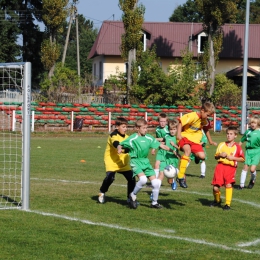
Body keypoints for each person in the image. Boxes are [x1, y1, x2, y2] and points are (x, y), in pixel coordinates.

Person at [118, 118, 175, 209]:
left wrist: (173, 151)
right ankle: (133, 194)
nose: (146, 130)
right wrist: (119, 149)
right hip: (135, 161)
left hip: (146, 162)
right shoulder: (133, 138)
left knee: (156, 183)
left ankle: (154, 203)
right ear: (137, 128)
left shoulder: (149, 137)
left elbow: (161, 145)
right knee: (143, 180)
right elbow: (120, 144)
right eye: (144, 128)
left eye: (146, 128)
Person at [176, 102, 217, 188]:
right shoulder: (192, 116)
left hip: (195, 141)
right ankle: (180, 176)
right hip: (185, 137)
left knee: (202, 156)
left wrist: (210, 141)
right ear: (202, 111)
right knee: (187, 151)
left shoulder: (204, 120)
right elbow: (180, 122)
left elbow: (206, 129)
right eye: (207, 115)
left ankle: (196, 156)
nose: (208, 117)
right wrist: (178, 134)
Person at [98, 117, 136, 204]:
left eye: (126, 127)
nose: (125, 129)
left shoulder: (128, 137)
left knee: (132, 178)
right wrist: (119, 147)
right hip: (112, 161)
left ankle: (130, 197)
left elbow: (130, 148)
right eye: (123, 127)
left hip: (123, 163)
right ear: (117, 127)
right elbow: (116, 143)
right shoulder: (113, 135)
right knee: (110, 178)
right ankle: (102, 192)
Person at [210, 126, 245, 210]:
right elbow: (216, 156)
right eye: (228, 134)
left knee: (228, 185)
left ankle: (227, 204)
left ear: (235, 135)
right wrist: (220, 155)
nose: (229, 135)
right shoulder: (221, 144)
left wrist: (233, 158)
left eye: (231, 134)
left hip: (230, 168)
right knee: (215, 187)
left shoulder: (237, 147)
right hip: (220, 167)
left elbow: (242, 159)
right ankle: (217, 201)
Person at [238, 115, 260, 189]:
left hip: (257, 151)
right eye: (251, 123)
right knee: (245, 168)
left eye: (254, 123)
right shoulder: (248, 132)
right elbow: (242, 141)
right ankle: (241, 185)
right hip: (248, 151)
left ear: (258, 124)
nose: (252, 124)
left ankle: (252, 180)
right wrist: (237, 149)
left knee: (252, 169)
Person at [159, 119, 180, 190]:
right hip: (165, 157)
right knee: (164, 175)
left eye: (174, 129)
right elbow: (163, 140)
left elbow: (180, 148)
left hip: (173, 158)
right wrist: (154, 140)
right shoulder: (167, 135)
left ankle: (178, 179)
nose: (172, 131)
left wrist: (174, 145)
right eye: (171, 129)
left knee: (170, 175)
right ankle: (172, 182)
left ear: (177, 129)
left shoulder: (177, 138)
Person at [152, 113, 170, 178]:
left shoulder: (168, 129)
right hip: (160, 150)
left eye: (164, 121)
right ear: (158, 121)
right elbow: (156, 141)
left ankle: (173, 180)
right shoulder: (157, 129)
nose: (162, 123)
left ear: (166, 122)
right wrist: (154, 149)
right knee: (156, 165)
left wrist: (158, 139)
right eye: (161, 121)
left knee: (168, 168)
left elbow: (167, 139)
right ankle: (154, 182)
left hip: (167, 150)